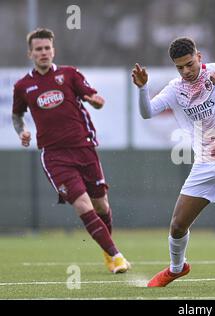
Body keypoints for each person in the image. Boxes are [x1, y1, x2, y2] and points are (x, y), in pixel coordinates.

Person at [132, 37, 215, 288]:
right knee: (178, 225)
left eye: (189, 64)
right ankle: (176, 268)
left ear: (199, 57)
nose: (186, 71)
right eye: (179, 67)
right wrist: (142, 88)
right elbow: (147, 112)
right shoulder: (174, 89)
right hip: (206, 161)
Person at [12, 28, 130, 274]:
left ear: (53, 50)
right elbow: (17, 116)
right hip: (54, 156)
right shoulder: (23, 85)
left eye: (47, 48)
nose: (43, 53)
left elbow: (92, 95)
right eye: (38, 49)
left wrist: (96, 100)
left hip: (84, 147)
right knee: (83, 205)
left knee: (101, 206)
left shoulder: (69, 74)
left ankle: (107, 251)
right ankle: (117, 256)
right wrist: (21, 131)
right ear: (30, 53)